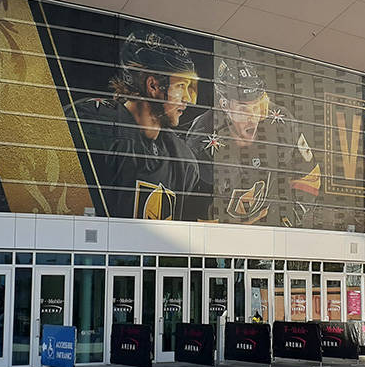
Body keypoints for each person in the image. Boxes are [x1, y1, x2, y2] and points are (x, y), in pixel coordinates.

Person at [64, 32, 201, 220]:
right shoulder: (93, 125)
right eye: (180, 86)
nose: (187, 99)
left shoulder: (182, 159)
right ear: (153, 86)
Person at [185, 59, 320, 227]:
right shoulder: (201, 140)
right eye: (243, 109)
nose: (253, 118)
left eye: (256, 107)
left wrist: (285, 220)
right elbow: (196, 210)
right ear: (225, 106)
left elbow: (309, 177)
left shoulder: (281, 122)